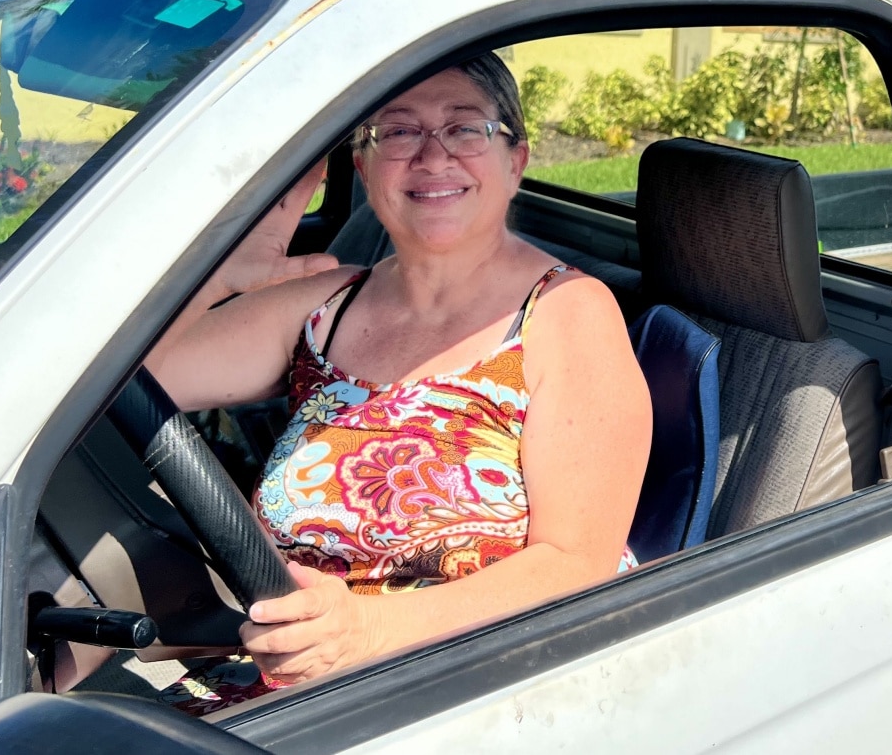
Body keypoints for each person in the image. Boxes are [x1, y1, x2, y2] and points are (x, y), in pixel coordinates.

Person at [146, 52, 652, 713]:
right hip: (292, 672)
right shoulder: (326, 304)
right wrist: (220, 274)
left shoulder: (566, 314)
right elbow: (128, 380)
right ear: (363, 166)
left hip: (469, 688)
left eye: (465, 128)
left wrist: (365, 631)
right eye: (401, 131)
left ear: (515, 161)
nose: (433, 156)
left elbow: (575, 562)